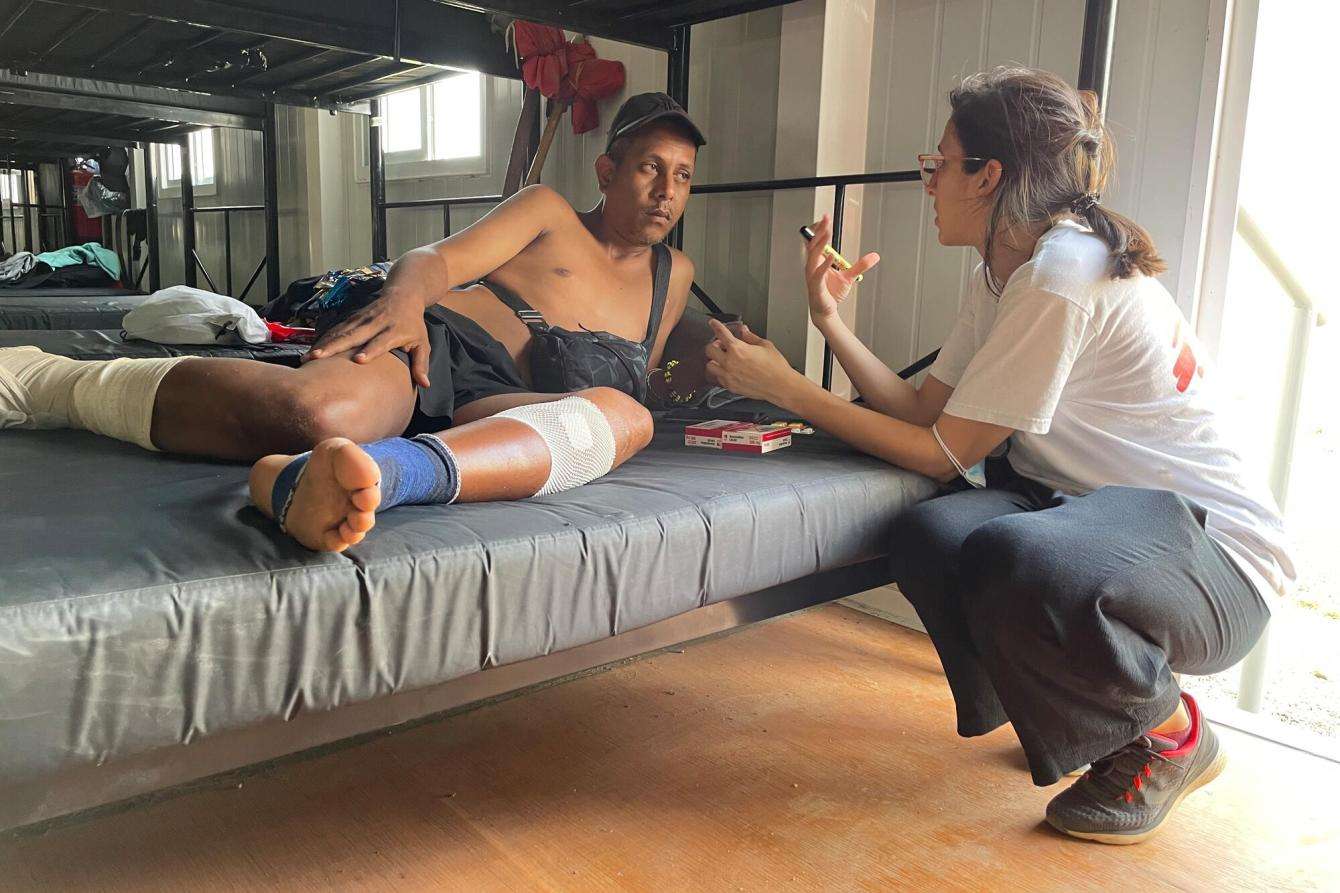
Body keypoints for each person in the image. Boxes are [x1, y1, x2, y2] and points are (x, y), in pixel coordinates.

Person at [701, 67, 1292, 844]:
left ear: (988, 176)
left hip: (1214, 558)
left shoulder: (1061, 273)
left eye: (938, 164)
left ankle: (1170, 732)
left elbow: (940, 453)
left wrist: (788, 390)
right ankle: (1074, 716)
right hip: (1098, 517)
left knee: (1015, 552)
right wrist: (828, 322)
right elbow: (923, 412)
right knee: (930, 535)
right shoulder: (1003, 268)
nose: (930, 183)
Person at [0, 93, 703, 553]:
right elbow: (433, 260)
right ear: (608, 170)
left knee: (626, 416)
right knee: (320, 410)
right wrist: (401, 306)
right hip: (442, 348)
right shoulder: (548, 211)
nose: (665, 190)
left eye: (682, 176)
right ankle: (53, 380)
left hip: (502, 407)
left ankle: (341, 478)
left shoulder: (678, 276)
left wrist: (739, 373)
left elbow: (650, 375)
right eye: (650, 167)